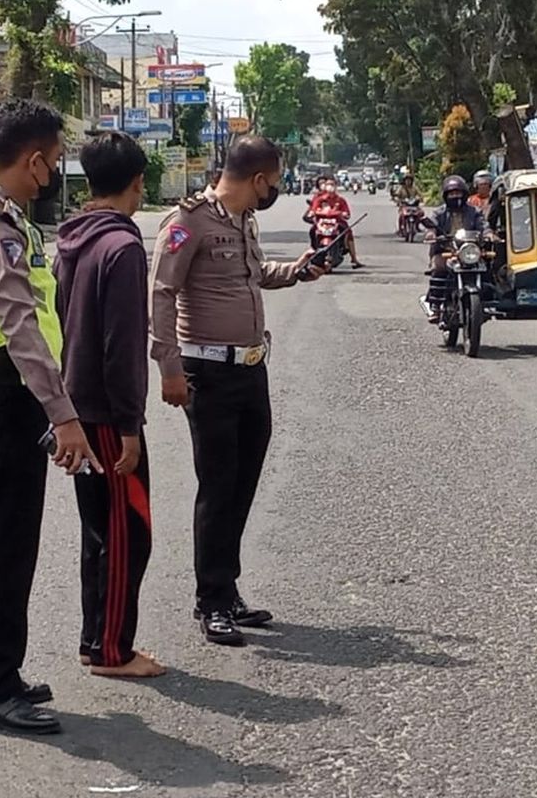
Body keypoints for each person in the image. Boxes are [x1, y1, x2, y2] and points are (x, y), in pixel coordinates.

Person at [0, 99, 102, 737]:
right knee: (4, 550)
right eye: (54, 164)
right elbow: (19, 326)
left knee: (11, 546)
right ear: (34, 160)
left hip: (3, 399)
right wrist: (63, 416)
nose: (53, 177)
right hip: (4, 401)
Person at [150, 136, 327, 647]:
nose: (273, 191)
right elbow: (161, 293)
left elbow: (254, 276)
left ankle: (227, 590)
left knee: (243, 483)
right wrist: (168, 368)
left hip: (251, 369)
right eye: (273, 184)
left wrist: (298, 270)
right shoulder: (189, 222)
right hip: (207, 372)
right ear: (257, 179)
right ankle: (210, 601)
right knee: (218, 486)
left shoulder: (243, 221)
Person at [53, 132, 164, 680]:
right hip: (105, 412)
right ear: (137, 184)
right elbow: (123, 345)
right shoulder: (121, 247)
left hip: (77, 403)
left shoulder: (72, 239)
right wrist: (129, 426)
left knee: (99, 529)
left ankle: (93, 639)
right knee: (128, 532)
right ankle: (113, 651)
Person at [424, 175, 487, 322]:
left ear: (464, 194)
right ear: (446, 196)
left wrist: (489, 234)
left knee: (487, 267)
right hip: (445, 250)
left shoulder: (474, 211)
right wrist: (431, 233)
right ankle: (436, 306)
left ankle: (484, 302)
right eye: (452, 193)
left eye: (458, 193)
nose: (455, 196)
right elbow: (432, 224)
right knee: (439, 268)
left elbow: (483, 225)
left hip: (469, 250)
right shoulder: (439, 212)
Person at [306, 176, 364, 268]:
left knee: (347, 232)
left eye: (332, 184)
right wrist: (312, 213)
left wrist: (344, 214)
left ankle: (353, 258)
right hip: (322, 222)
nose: (330, 187)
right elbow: (313, 209)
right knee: (312, 231)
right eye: (328, 184)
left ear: (336, 186)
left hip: (337, 222)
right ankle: (313, 250)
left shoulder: (340, 200)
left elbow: (347, 213)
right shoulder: (320, 199)